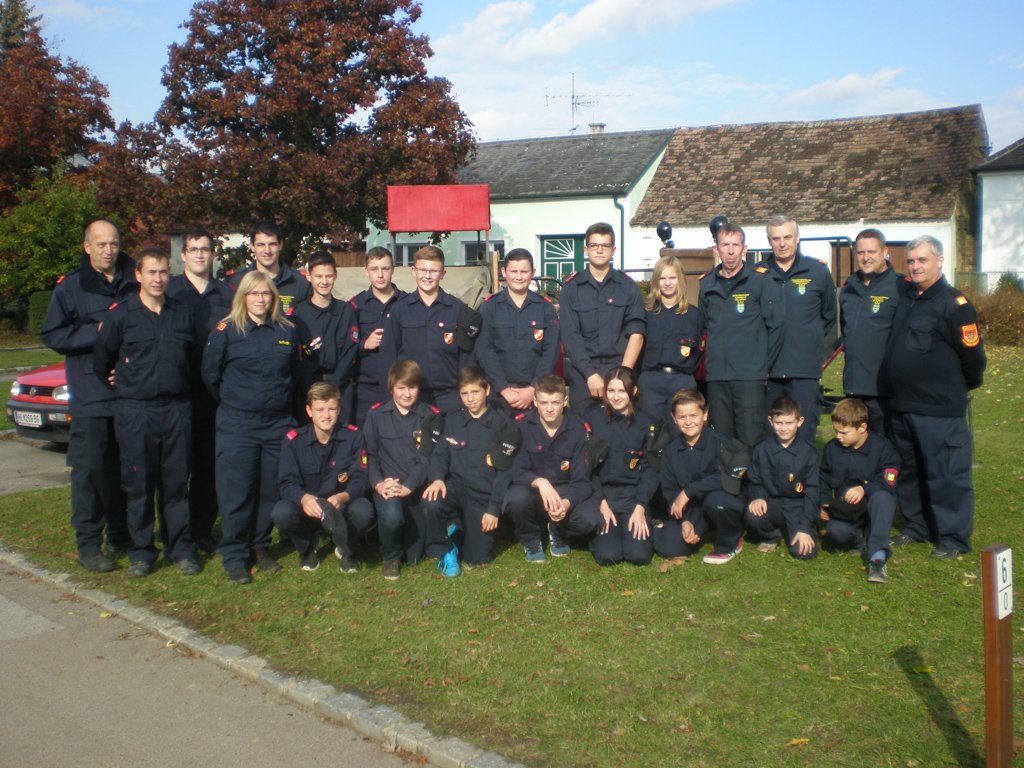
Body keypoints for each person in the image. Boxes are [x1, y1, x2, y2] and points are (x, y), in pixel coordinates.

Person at [94, 248, 198, 577]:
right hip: (136, 410)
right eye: (151, 272)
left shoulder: (182, 314)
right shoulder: (121, 316)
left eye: (163, 272)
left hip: (176, 409)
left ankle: (180, 548)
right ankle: (142, 552)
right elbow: (102, 362)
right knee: (138, 484)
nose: (158, 279)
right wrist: (123, 381)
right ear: (138, 275)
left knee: (176, 483)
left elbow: (193, 361)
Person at [881, 235, 986, 558]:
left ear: (939, 261)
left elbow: (973, 358)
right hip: (903, 405)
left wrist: (954, 388)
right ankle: (917, 527)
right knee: (909, 473)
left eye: (922, 260)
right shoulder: (908, 297)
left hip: (938, 408)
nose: (915, 267)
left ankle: (953, 538)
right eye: (911, 261)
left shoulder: (954, 304)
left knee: (947, 476)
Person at [41, 219, 136, 572]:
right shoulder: (71, 287)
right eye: (101, 245)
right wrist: (97, 331)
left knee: (125, 471)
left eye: (114, 243)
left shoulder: (135, 279)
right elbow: (53, 335)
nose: (108, 251)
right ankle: (89, 543)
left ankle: (121, 535)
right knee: (91, 473)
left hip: (130, 394)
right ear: (87, 247)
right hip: (91, 396)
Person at [202, 271, 299, 584]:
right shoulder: (226, 331)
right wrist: (237, 402)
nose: (260, 299)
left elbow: (294, 375)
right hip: (238, 424)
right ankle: (235, 555)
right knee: (237, 492)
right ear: (242, 297)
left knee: (269, 490)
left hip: (276, 424)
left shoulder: (286, 331)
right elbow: (210, 376)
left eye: (266, 293)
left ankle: (260, 544)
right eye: (254, 293)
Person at [166, 226, 234, 554]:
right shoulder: (170, 291)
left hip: (212, 395)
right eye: (193, 249)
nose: (199, 255)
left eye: (204, 249)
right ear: (183, 255)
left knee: (208, 468)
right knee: (177, 469)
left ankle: (203, 531)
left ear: (212, 254)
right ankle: (177, 534)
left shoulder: (227, 294)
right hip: (177, 391)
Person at [421, 366, 521, 575]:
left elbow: (505, 472)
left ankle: (456, 531)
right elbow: (439, 455)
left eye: (475, 392)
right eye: (464, 393)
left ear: (487, 390)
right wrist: (437, 478)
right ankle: (445, 548)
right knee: (432, 500)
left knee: (476, 559)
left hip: (483, 495)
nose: (470, 399)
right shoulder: (452, 421)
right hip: (456, 489)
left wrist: (493, 509)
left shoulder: (502, 424)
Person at [272, 382, 375, 573]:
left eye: (331, 409)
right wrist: (304, 498)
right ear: (309, 411)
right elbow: (286, 483)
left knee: (363, 510)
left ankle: (347, 550)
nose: (326, 415)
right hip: (308, 507)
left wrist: (342, 497)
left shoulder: (354, 437)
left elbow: (361, 479)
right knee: (281, 512)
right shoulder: (293, 441)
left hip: (340, 506)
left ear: (339, 409)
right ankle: (307, 548)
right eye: (320, 410)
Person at [699, 221, 783, 447]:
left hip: (749, 376)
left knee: (750, 438)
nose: (730, 251)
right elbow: (705, 326)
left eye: (735, 245)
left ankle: (751, 473)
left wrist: (763, 365)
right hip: (718, 377)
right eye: (725, 245)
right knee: (722, 441)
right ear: (716, 249)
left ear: (744, 249)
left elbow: (775, 327)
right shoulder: (707, 284)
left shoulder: (759, 280)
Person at [502, 374, 602, 561]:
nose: (549, 409)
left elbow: (582, 481)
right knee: (516, 498)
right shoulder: (521, 426)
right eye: (544, 402)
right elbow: (516, 471)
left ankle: (558, 530)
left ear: (565, 401)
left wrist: (566, 503)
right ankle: (531, 539)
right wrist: (540, 482)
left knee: (590, 519)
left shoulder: (579, 429)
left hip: (565, 492)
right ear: (535, 401)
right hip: (534, 492)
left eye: (555, 402)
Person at [362, 359, 445, 580]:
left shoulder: (430, 416)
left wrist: (408, 487)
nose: (407, 394)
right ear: (391, 388)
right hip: (388, 486)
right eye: (401, 388)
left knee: (414, 557)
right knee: (392, 516)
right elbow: (370, 456)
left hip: (416, 487)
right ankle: (391, 557)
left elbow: (426, 458)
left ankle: (395, 538)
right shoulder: (376, 415)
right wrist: (379, 484)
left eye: (412, 387)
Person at [763, 215, 837, 445]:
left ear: (797, 238)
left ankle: (805, 471)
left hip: (804, 369)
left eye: (787, 237)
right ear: (769, 241)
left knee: (804, 434)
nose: (782, 243)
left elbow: (828, 317)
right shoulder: (758, 274)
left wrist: (811, 346)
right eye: (776, 239)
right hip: (768, 370)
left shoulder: (817, 272)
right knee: (770, 436)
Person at [559, 222, 645, 417]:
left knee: (621, 430)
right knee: (585, 431)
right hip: (584, 375)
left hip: (620, 369)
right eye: (594, 245)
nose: (599, 250)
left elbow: (637, 333)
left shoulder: (627, 287)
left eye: (605, 245)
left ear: (613, 250)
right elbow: (571, 337)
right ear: (586, 249)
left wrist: (622, 377)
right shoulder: (572, 289)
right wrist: (590, 374)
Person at [379, 245, 477, 415]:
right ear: (414, 271)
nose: (427, 276)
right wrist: (390, 397)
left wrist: (465, 397)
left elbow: (467, 359)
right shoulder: (400, 310)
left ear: (443, 273)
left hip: (449, 397)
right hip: (411, 397)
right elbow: (388, 356)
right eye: (423, 270)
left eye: (433, 271)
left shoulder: (457, 309)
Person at [657, 389, 746, 564]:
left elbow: (727, 476)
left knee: (718, 503)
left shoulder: (721, 443)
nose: (688, 422)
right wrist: (685, 521)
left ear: (705, 415)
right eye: (682, 417)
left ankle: (729, 543)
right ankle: (701, 528)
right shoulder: (670, 450)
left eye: (693, 415)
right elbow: (670, 490)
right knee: (667, 548)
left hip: (720, 500)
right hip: (692, 509)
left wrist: (689, 491)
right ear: (674, 419)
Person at [818, 398, 900, 583]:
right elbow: (823, 478)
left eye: (844, 432)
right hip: (847, 509)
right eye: (836, 431)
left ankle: (877, 558)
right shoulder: (832, 449)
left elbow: (890, 480)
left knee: (883, 497)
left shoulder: (883, 447)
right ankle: (859, 540)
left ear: (862, 427)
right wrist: (823, 503)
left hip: (874, 507)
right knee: (835, 532)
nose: (838, 436)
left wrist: (864, 489)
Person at [475, 248, 560, 414]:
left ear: (533, 272)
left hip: (536, 395)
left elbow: (551, 351)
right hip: (499, 396)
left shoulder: (545, 308)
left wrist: (533, 388)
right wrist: (504, 389)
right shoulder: (490, 307)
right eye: (514, 271)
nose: (519, 277)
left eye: (524, 271)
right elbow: (484, 351)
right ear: (504, 272)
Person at [587, 367, 658, 566]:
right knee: (608, 556)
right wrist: (601, 502)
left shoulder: (646, 423)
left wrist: (640, 507)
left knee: (639, 556)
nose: (616, 397)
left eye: (622, 391)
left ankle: (643, 523)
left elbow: (651, 469)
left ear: (633, 391)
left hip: (633, 496)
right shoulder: (593, 419)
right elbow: (588, 467)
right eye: (611, 391)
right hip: (604, 495)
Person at [837, 228, 903, 435]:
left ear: (885, 252)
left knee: (883, 445)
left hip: (883, 388)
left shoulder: (900, 287)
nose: (866, 258)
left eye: (871, 252)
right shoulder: (849, 288)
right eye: (861, 252)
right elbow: (847, 331)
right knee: (855, 444)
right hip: (854, 385)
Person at [744, 396, 819, 560]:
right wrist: (758, 497)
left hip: (798, 506)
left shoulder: (808, 452)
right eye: (779, 423)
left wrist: (805, 527)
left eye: (789, 423)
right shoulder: (761, 449)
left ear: (800, 421)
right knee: (753, 515)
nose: (784, 428)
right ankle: (772, 535)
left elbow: (812, 491)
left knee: (804, 552)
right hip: (773, 503)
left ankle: (798, 529)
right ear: (771, 421)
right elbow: (755, 480)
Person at [290, 251, 360, 422]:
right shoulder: (298, 314)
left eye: (328, 276)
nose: (324, 281)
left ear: (335, 276)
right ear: (309, 277)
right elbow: (298, 357)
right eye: (318, 276)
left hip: (340, 387)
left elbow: (350, 351)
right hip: (309, 388)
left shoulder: (346, 310)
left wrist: (334, 386)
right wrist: (311, 390)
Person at [639, 256, 704, 422]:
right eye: (662, 278)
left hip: (682, 381)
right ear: (656, 281)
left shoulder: (694, 315)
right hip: (651, 382)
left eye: (672, 278)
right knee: (650, 432)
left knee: (680, 431)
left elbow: (699, 352)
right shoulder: (645, 314)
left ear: (680, 280)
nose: (667, 283)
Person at [350, 247, 406, 426]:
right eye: (374, 269)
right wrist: (364, 345)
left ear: (393, 269)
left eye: (385, 268)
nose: (380, 275)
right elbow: (343, 349)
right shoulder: (355, 306)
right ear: (366, 271)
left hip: (401, 388)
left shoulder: (407, 303)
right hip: (367, 389)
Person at [227, 220, 310, 315]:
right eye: (261, 245)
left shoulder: (300, 283)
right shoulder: (235, 282)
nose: (267, 251)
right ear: (252, 246)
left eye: (272, 244)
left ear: (280, 245)